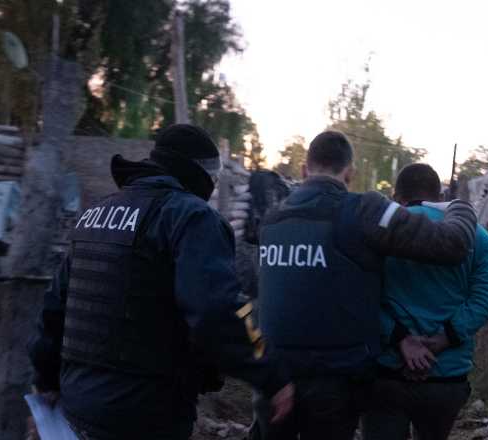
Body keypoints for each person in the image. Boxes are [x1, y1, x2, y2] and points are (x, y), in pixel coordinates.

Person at [28, 124, 294, 440]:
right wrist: (271, 375)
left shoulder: (96, 213)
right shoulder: (191, 216)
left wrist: (46, 379)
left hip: (76, 408)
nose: (212, 185)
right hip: (144, 413)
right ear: (197, 174)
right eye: (213, 177)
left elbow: (55, 306)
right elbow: (221, 310)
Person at [253, 131, 479, 440]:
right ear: (350, 173)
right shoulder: (365, 210)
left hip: (273, 379)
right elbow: (451, 245)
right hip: (335, 382)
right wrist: (461, 207)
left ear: (304, 170)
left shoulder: (271, 219)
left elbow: (255, 300)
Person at [361, 163, 488, 440]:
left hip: (387, 374)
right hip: (446, 377)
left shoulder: (379, 232)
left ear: (396, 197)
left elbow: (363, 295)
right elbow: (485, 299)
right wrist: (442, 339)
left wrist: (402, 340)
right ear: (440, 196)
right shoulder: (479, 238)